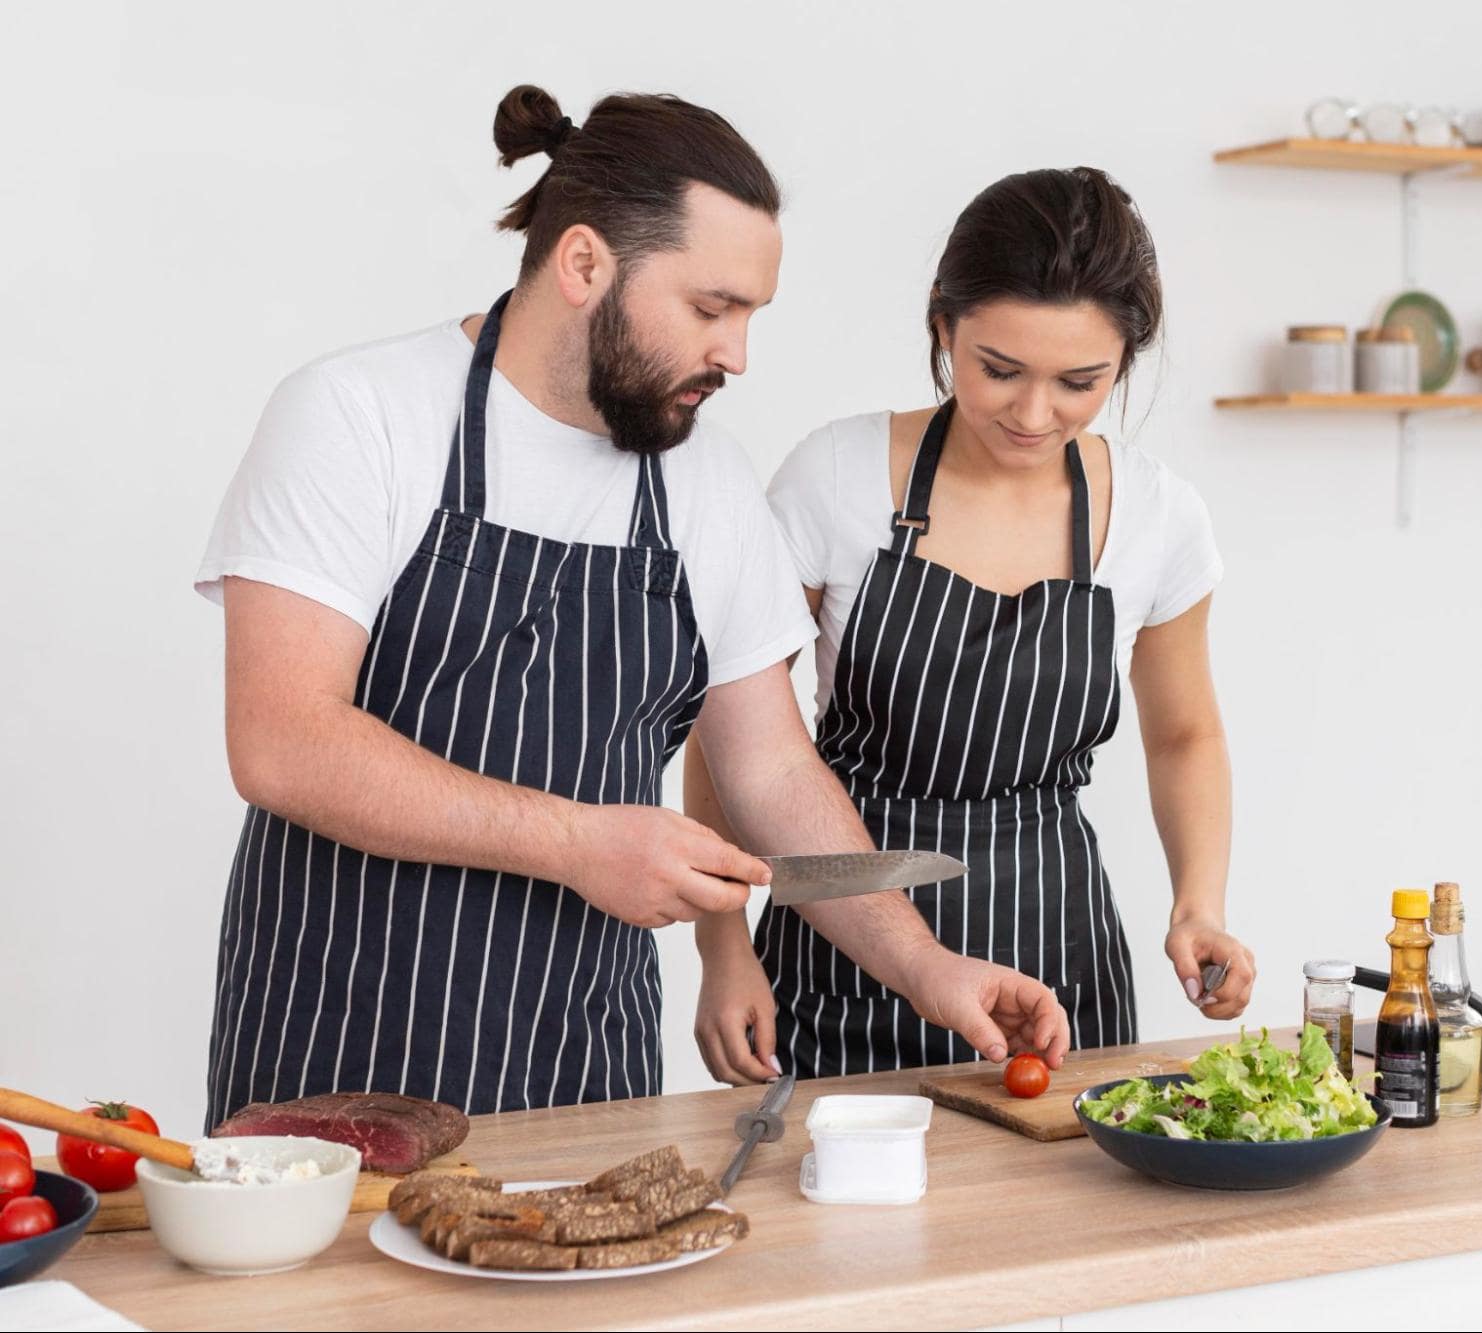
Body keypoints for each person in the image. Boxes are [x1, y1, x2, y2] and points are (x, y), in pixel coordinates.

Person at [195, 85, 1068, 1126]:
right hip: (341, 1041)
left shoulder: (704, 481)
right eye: (711, 309)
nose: (737, 354)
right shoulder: (359, 417)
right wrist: (574, 844)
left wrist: (926, 968)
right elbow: (282, 739)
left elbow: (771, 768)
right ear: (582, 266)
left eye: (750, 315)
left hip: (584, 1063)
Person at [686, 167, 1251, 1084]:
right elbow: (727, 734)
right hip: (843, 946)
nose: (1034, 414)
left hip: (1055, 965)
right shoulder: (836, 476)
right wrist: (723, 947)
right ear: (942, 327)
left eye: (1079, 382)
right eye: (998, 370)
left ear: (1126, 360)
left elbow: (1185, 734)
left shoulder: (1158, 516)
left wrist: (1198, 903)